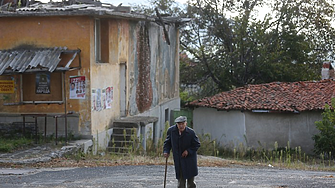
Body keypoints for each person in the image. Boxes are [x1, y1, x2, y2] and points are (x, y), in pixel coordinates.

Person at [163, 116, 201, 188]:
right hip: (179, 160)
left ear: (185, 123)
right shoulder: (171, 131)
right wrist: (166, 151)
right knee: (181, 182)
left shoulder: (191, 132)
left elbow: (197, 144)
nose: (181, 126)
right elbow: (167, 143)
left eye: (182, 124)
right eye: (179, 124)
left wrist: (188, 151)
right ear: (176, 124)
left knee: (191, 182)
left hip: (190, 160)